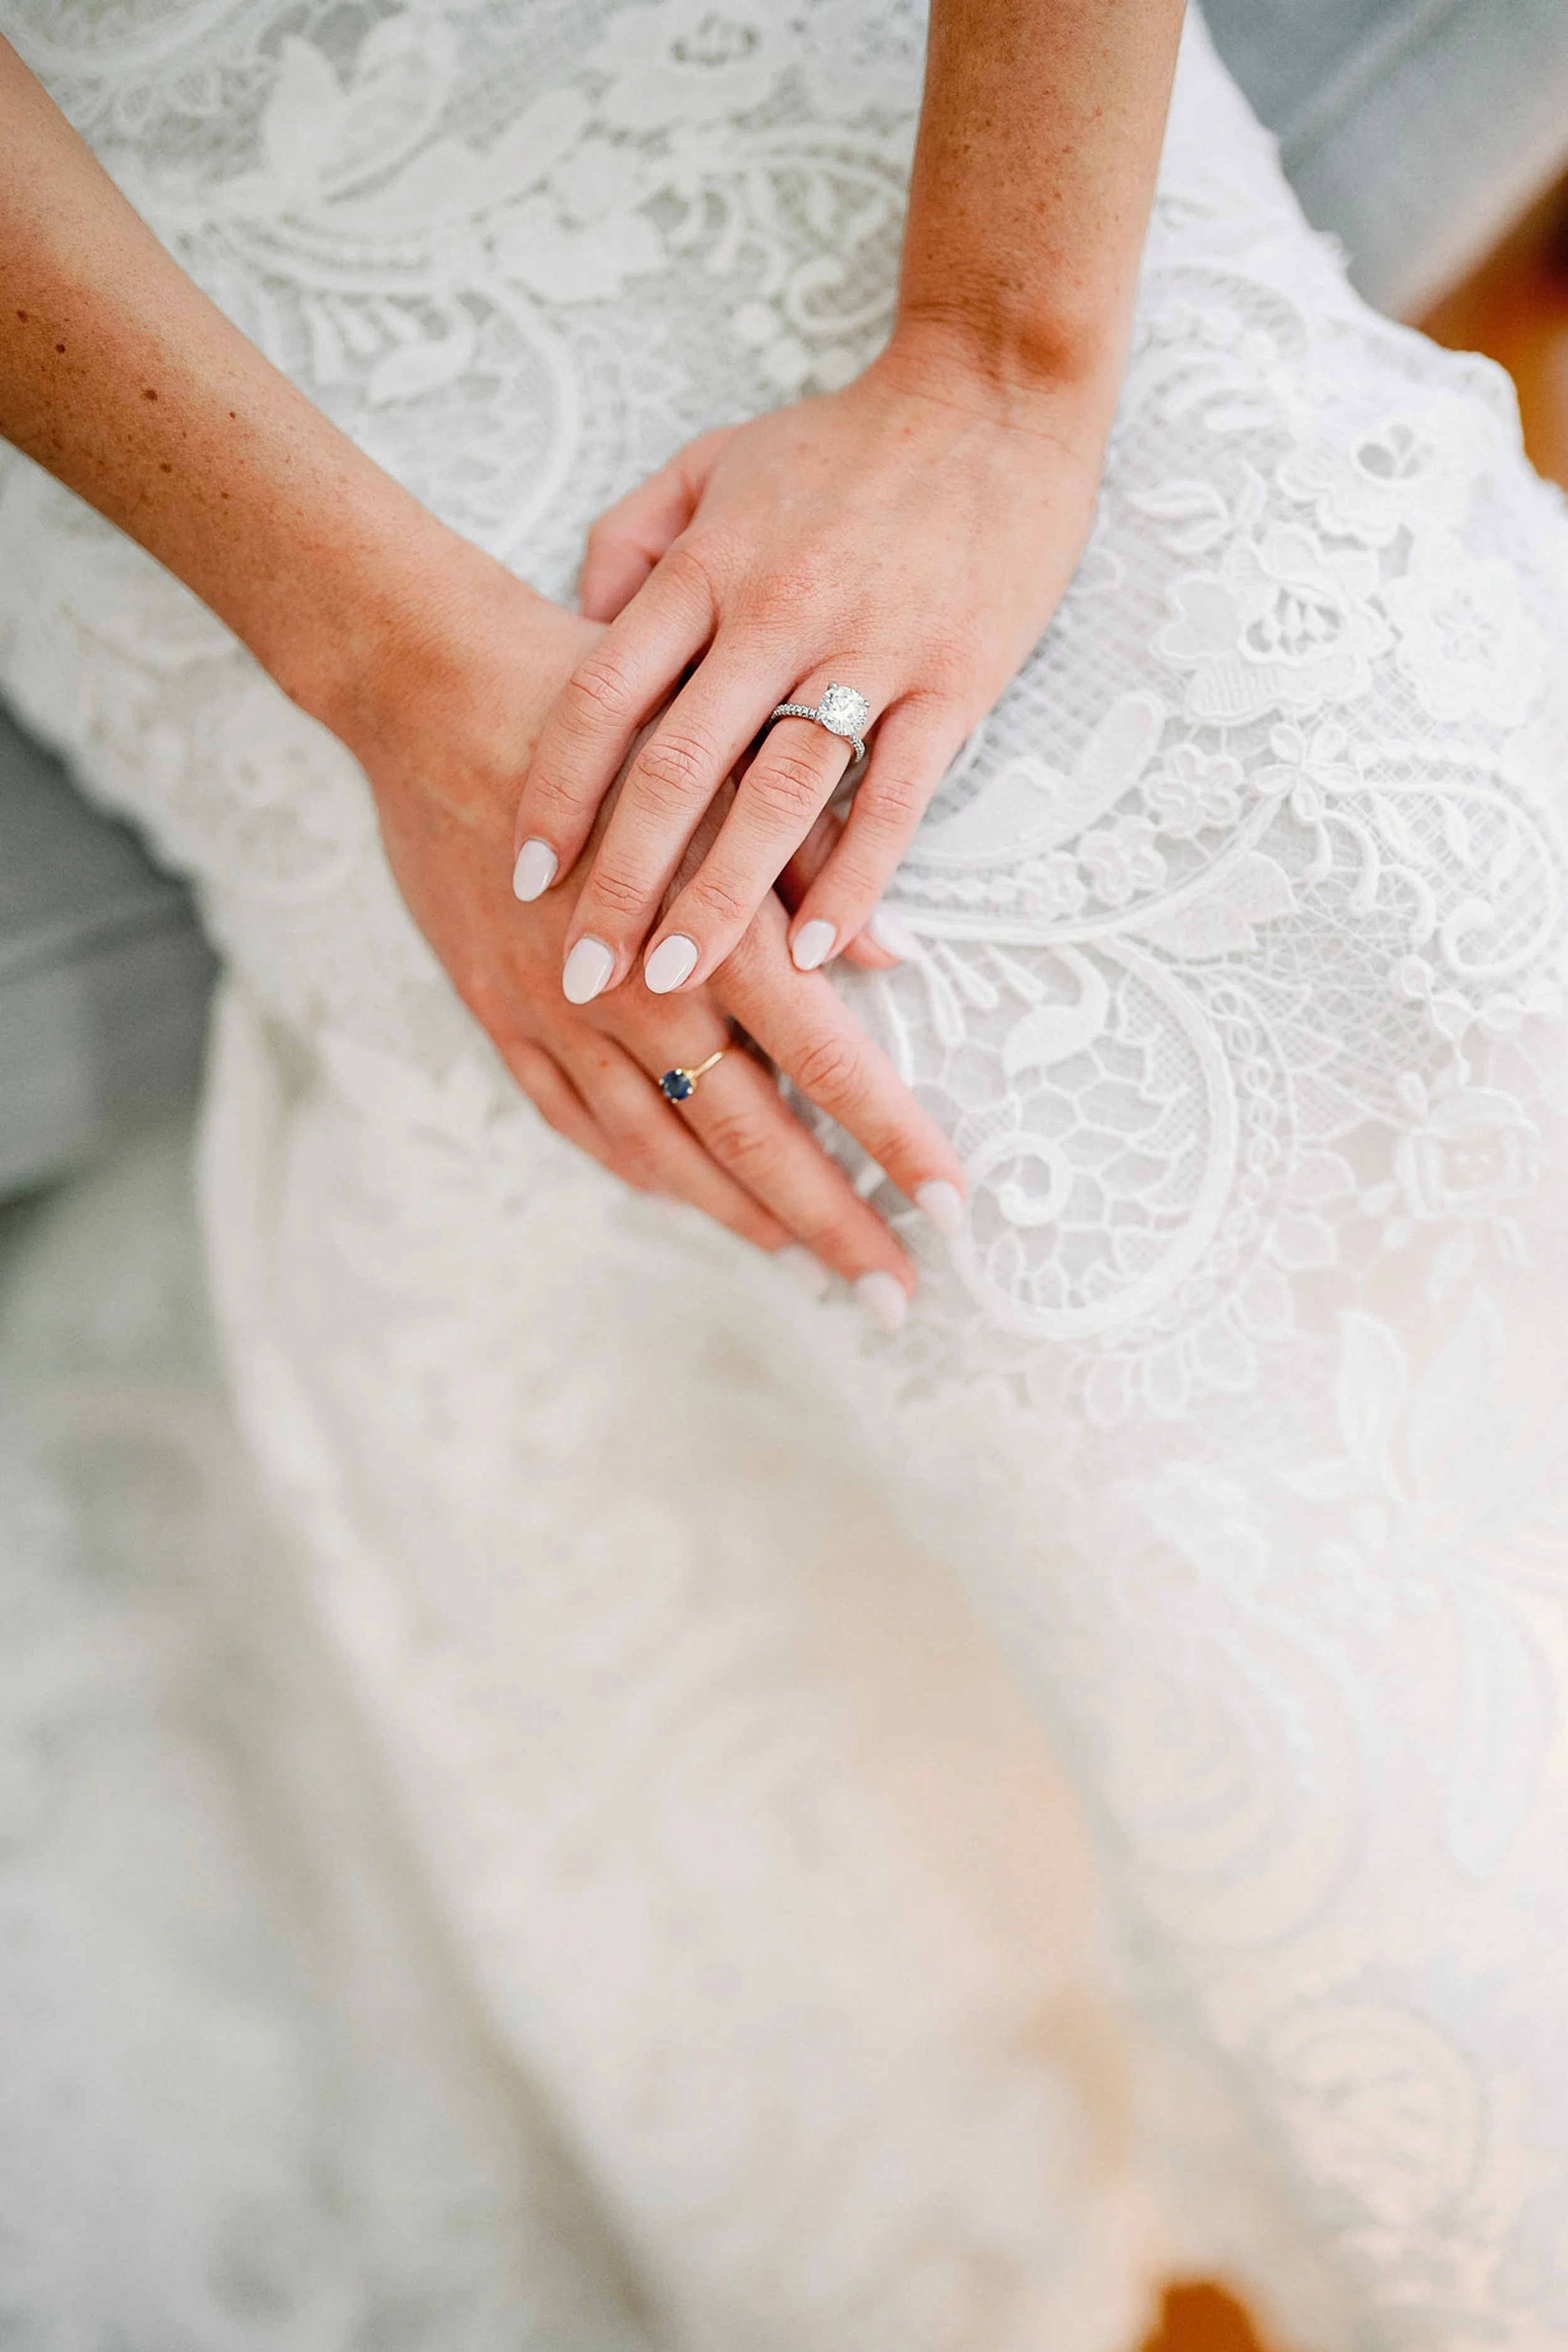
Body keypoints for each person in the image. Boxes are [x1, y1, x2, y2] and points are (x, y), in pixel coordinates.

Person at [3, 1, 1567, 2345]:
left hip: (898, 93)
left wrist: (996, 356)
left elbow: (1013, 363)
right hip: (192, 333)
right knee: (701, 1173)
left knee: (1326, 963)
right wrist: (397, 678)